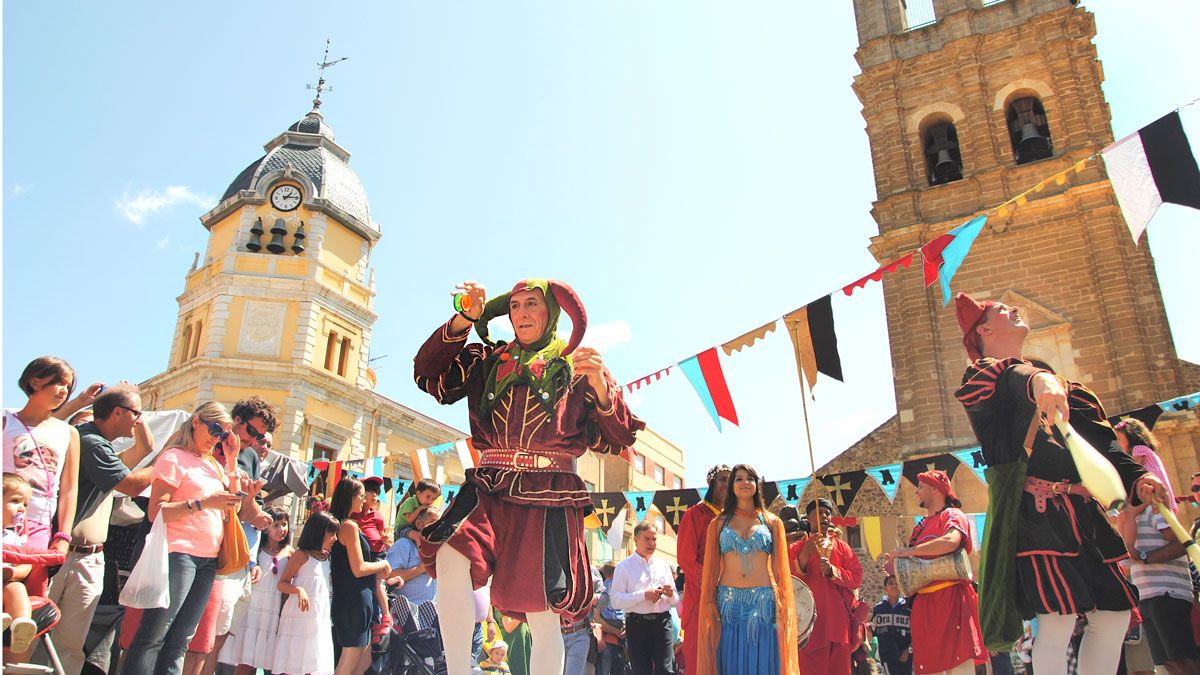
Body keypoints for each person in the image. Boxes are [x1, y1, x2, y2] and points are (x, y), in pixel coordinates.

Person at [413, 278, 644, 675]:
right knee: (450, 553)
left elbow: (619, 437)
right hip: (490, 484)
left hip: (548, 493)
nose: (521, 313)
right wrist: (462, 319)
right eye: (515, 306)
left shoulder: (578, 367)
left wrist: (603, 391)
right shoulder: (488, 360)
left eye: (531, 304)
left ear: (549, 314)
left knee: (542, 613)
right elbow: (428, 376)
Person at [952, 292, 1167, 675]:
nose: (1014, 308)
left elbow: (1103, 444)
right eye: (1002, 310)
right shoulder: (984, 378)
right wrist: (1039, 380)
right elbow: (1010, 378)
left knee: (1114, 615)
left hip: (1085, 515)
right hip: (1036, 519)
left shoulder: (1063, 386)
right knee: (1055, 622)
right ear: (983, 329)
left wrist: (1140, 477)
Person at [120, 402, 251, 675]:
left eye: (224, 434)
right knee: (155, 633)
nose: (217, 437)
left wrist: (230, 461)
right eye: (215, 429)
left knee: (181, 639)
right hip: (178, 553)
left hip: (207, 559)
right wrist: (202, 503)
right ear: (196, 422)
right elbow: (156, 511)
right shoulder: (174, 458)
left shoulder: (213, 465)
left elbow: (234, 508)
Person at [48, 384, 157, 675]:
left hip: (88, 557)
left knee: (70, 645)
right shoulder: (92, 443)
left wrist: (137, 413)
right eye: (134, 412)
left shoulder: (105, 451)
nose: (138, 419)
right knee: (38, 636)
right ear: (117, 412)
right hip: (63, 556)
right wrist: (169, 464)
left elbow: (145, 449)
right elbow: (133, 484)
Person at [695, 463, 798, 675]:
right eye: (739, 478)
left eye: (750, 478)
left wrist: (783, 605)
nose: (744, 483)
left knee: (763, 661)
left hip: (763, 603)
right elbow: (712, 569)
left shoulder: (772, 522)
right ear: (732, 486)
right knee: (730, 662)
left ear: (757, 485)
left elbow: (781, 571)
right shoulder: (718, 523)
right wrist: (710, 601)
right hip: (728, 604)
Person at [882, 470, 983, 675]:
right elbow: (916, 566)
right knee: (928, 668)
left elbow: (951, 542)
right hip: (924, 606)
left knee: (960, 666)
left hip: (951, 599)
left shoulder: (953, 515)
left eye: (920, 487)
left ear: (935, 490)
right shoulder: (920, 527)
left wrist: (909, 551)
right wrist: (898, 567)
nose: (916, 493)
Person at [1117, 425, 1199, 674]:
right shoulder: (1135, 515)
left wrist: (1145, 557)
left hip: (1167, 593)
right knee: (1168, 662)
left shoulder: (1157, 512)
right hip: (1149, 595)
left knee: (1183, 659)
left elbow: (1179, 543)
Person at [3, 356, 81, 551]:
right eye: (59, 382)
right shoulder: (5, 421)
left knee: (32, 578)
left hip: (40, 524)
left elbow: (69, 489)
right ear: (35, 382)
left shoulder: (69, 433)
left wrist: (63, 535)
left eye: (68, 387)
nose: (64, 391)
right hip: (4, 518)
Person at [789, 497, 861, 675]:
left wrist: (832, 571)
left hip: (838, 624)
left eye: (827, 513)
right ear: (809, 519)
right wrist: (805, 555)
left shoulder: (843, 547)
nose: (823, 516)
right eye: (818, 513)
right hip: (809, 625)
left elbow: (856, 578)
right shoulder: (797, 547)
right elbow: (787, 580)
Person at [328, 477, 392, 675]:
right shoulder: (349, 526)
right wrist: (382, 563)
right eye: (361, 496)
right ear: (351, 497)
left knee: (363, 662)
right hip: (354, 598)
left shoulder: (342, 524)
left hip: (355, 597)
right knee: (348, 662)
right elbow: (358, 568)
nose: (364, 501)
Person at [220, 507, 292, 675]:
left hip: (273, 612)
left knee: (271, 662)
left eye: (284, 524)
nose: (282, 529)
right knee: (246, 661)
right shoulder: (256, 551)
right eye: (276, 525)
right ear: (265, 528)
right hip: (253, 610)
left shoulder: (289, 551)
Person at [676, 463, 731, 672]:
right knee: (701, 661)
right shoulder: (694, 515)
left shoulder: (735, 519)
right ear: (711, 483)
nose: (726, 484)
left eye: (730, 480)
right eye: (722, 479)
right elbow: (686, 559)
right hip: (700, 601)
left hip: (732, 601)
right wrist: (712, 586)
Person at [610, 522, 680, 674]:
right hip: (637, 624)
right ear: (636, 539)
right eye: (647, 539)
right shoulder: (624, 567)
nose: (651, 543)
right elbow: (615, 600)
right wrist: (643, 595)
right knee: (641, 671)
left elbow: (675, 600)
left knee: (666, 670)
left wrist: (669, 594)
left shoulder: (663, 565)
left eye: (654, 539)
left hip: (663, 622)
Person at [275, 510, 339, 675]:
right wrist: (298, 589)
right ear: (318, 532)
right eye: (331, 533)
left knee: (313, 664)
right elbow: (282, 584)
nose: (335, 538)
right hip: (299, 617)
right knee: (293, 663)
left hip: (319, 617)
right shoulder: (301, 555)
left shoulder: (327, 557)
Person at [2, 473, 39, 654]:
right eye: (15, 501)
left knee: (16, 588)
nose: (22, 509)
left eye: (25, 504)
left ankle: (21, 628)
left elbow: (26, 564)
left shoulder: (14, 538)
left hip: (5, 583)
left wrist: (13, 573)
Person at [386, 506, 440, 605]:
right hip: (407, 610)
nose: (437, 527)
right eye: (433, 522)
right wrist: (421, 568)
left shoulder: (439, 549)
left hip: (433, 611)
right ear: (419, 524)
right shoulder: (404, 545)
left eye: (439, 523)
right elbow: (390, 575)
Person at [872, 575, 912, 675]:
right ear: (885, 587)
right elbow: (873, 631)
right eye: (890, 583)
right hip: (887, 656)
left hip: (906, 656)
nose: (894, 586)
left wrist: (908, 650)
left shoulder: (908, 609)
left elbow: (916, 632)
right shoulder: (879, 609)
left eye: (897, 583)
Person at [594, 562, 626, 675]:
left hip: (607, 636)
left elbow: (597, 617)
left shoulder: (601, 589)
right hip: (620, 633)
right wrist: (619, 631)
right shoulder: (622, 589)